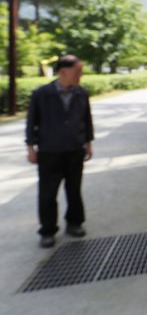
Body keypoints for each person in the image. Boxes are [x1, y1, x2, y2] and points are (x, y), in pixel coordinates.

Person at [25, 55, 94, 248]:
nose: (80, 75)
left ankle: (74, 223)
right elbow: (32, 122)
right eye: (77, 71)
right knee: (47, 193)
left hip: (74, 149)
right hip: (49, 151)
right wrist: (30, 147)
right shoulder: (42, 93)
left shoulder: (81, 93)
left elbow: (87, 120)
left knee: (74, 190)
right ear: (64, 72)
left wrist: (88, 143)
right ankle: (47, 231)